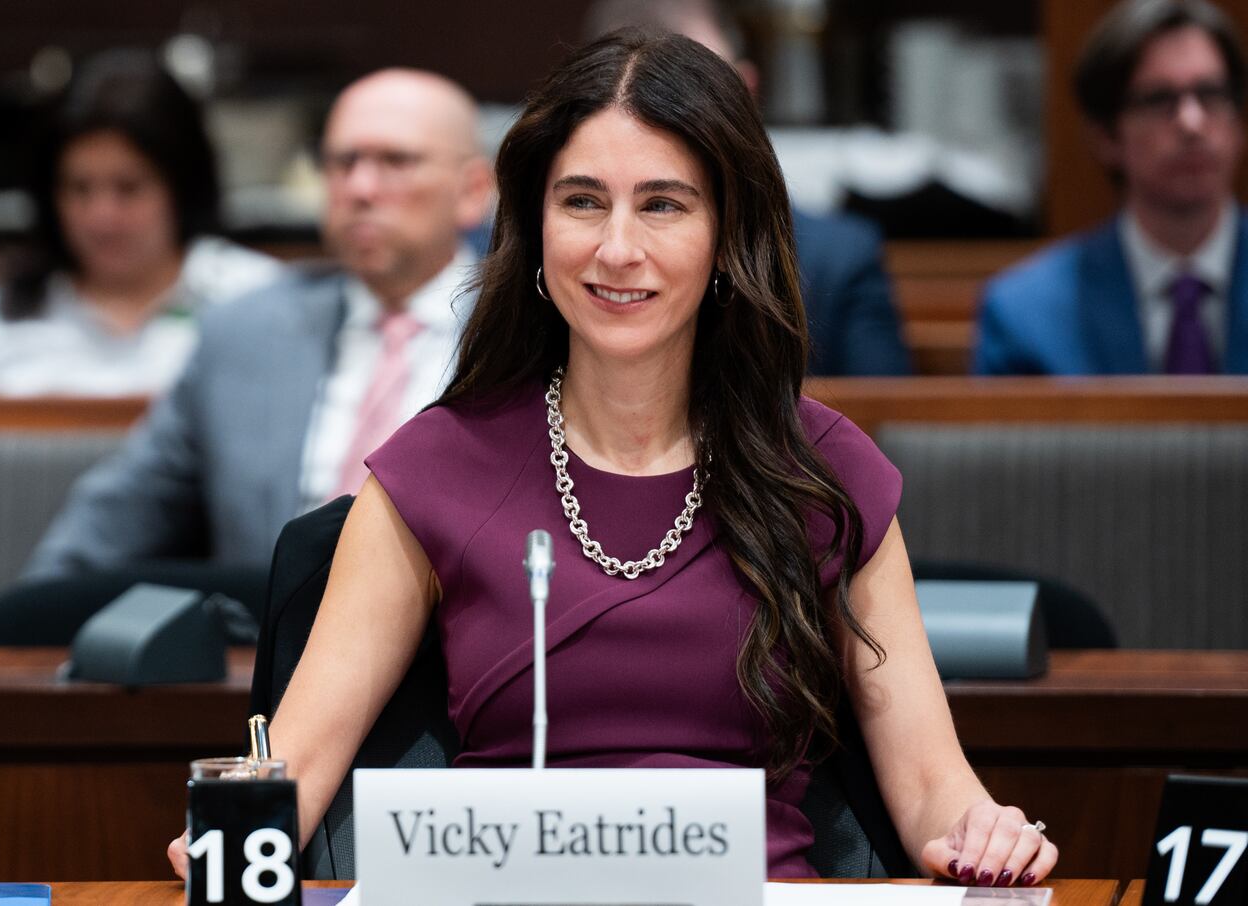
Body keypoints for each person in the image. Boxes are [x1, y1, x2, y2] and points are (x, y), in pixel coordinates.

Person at [170, 32, 1058, 882]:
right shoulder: (433, 469)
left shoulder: (823, 472)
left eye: (663, 204)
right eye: (582, 201)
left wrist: (987, 833)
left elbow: (937, 795)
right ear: (535, 226)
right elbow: (290, 772)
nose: (617, 249)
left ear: (726, 236)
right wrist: (229, 827)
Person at [0, 68, 492, 644]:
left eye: (395, 161)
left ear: (472, 190)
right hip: (264, 680)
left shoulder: (527, 334)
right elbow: (108, 528)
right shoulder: (244, 333)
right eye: (341, 163)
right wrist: (16, 638)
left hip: (460, 669)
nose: (360, 188)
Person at [578, 0, 912, 376]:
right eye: (582, 202)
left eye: (695, 95)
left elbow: (881, 416)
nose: (618, 251)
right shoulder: (517, 253)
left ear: (745, 91)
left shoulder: (836, 260)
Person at [0, 49, 282, 397]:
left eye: (128, 188)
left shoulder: (260, 299)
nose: (102, 216)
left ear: (182, 186)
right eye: (79, 189)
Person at [975, 0, 1246, 375]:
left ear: (1238, 123)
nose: (1191, 122)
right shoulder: (1025, 312)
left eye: (1211, 94)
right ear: (1105, 136)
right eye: (1159, 99)